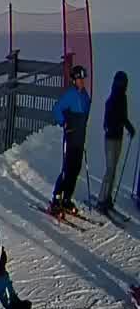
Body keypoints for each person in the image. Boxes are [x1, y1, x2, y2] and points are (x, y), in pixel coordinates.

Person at [52, 64, 93, 214]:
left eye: (83, 78)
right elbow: (56, 109)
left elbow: (87, 113)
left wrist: (83, 126)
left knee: (76, 169)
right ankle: (56, 198)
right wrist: (64, 122)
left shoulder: (85, 95)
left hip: (80, 137)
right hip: (71, 136)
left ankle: (67, 198)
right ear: (74, 80)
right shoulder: (69, 94)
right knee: (67, 169)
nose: (82, 81)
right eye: (79, 79)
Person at [99, 70, 135, 214]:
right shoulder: (112, 99)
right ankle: (101, 199)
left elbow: (123, 117)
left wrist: (129, 128)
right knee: (109, 170)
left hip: (118, 138)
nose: (122, 86)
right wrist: (111, 126)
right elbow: (106, 121)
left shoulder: (123, 98)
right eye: (121, 83)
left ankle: (107, 197)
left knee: (113, 170)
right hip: (110, 139)